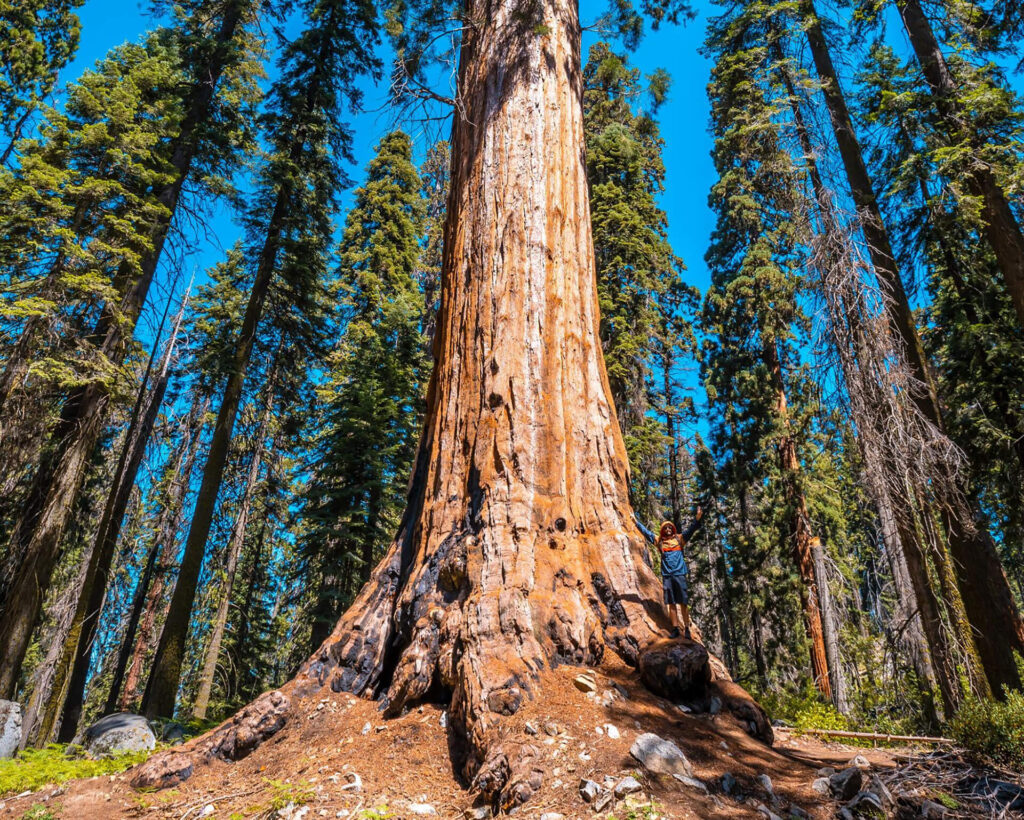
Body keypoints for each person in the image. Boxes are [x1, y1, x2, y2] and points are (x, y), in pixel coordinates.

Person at [636, 503, 706, 639]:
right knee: (671, 603)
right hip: (667, 576)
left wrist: (697, 519)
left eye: (670, 527)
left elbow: (691, 530)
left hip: (679, 574)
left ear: (673, 529)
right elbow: (647, 533)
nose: (668, 529)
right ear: (663, 531)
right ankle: (675, 629)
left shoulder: (680, 539)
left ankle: (686, 628)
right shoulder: (660, 541)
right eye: (665, 527)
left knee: (683, 603)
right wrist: (635, 522)